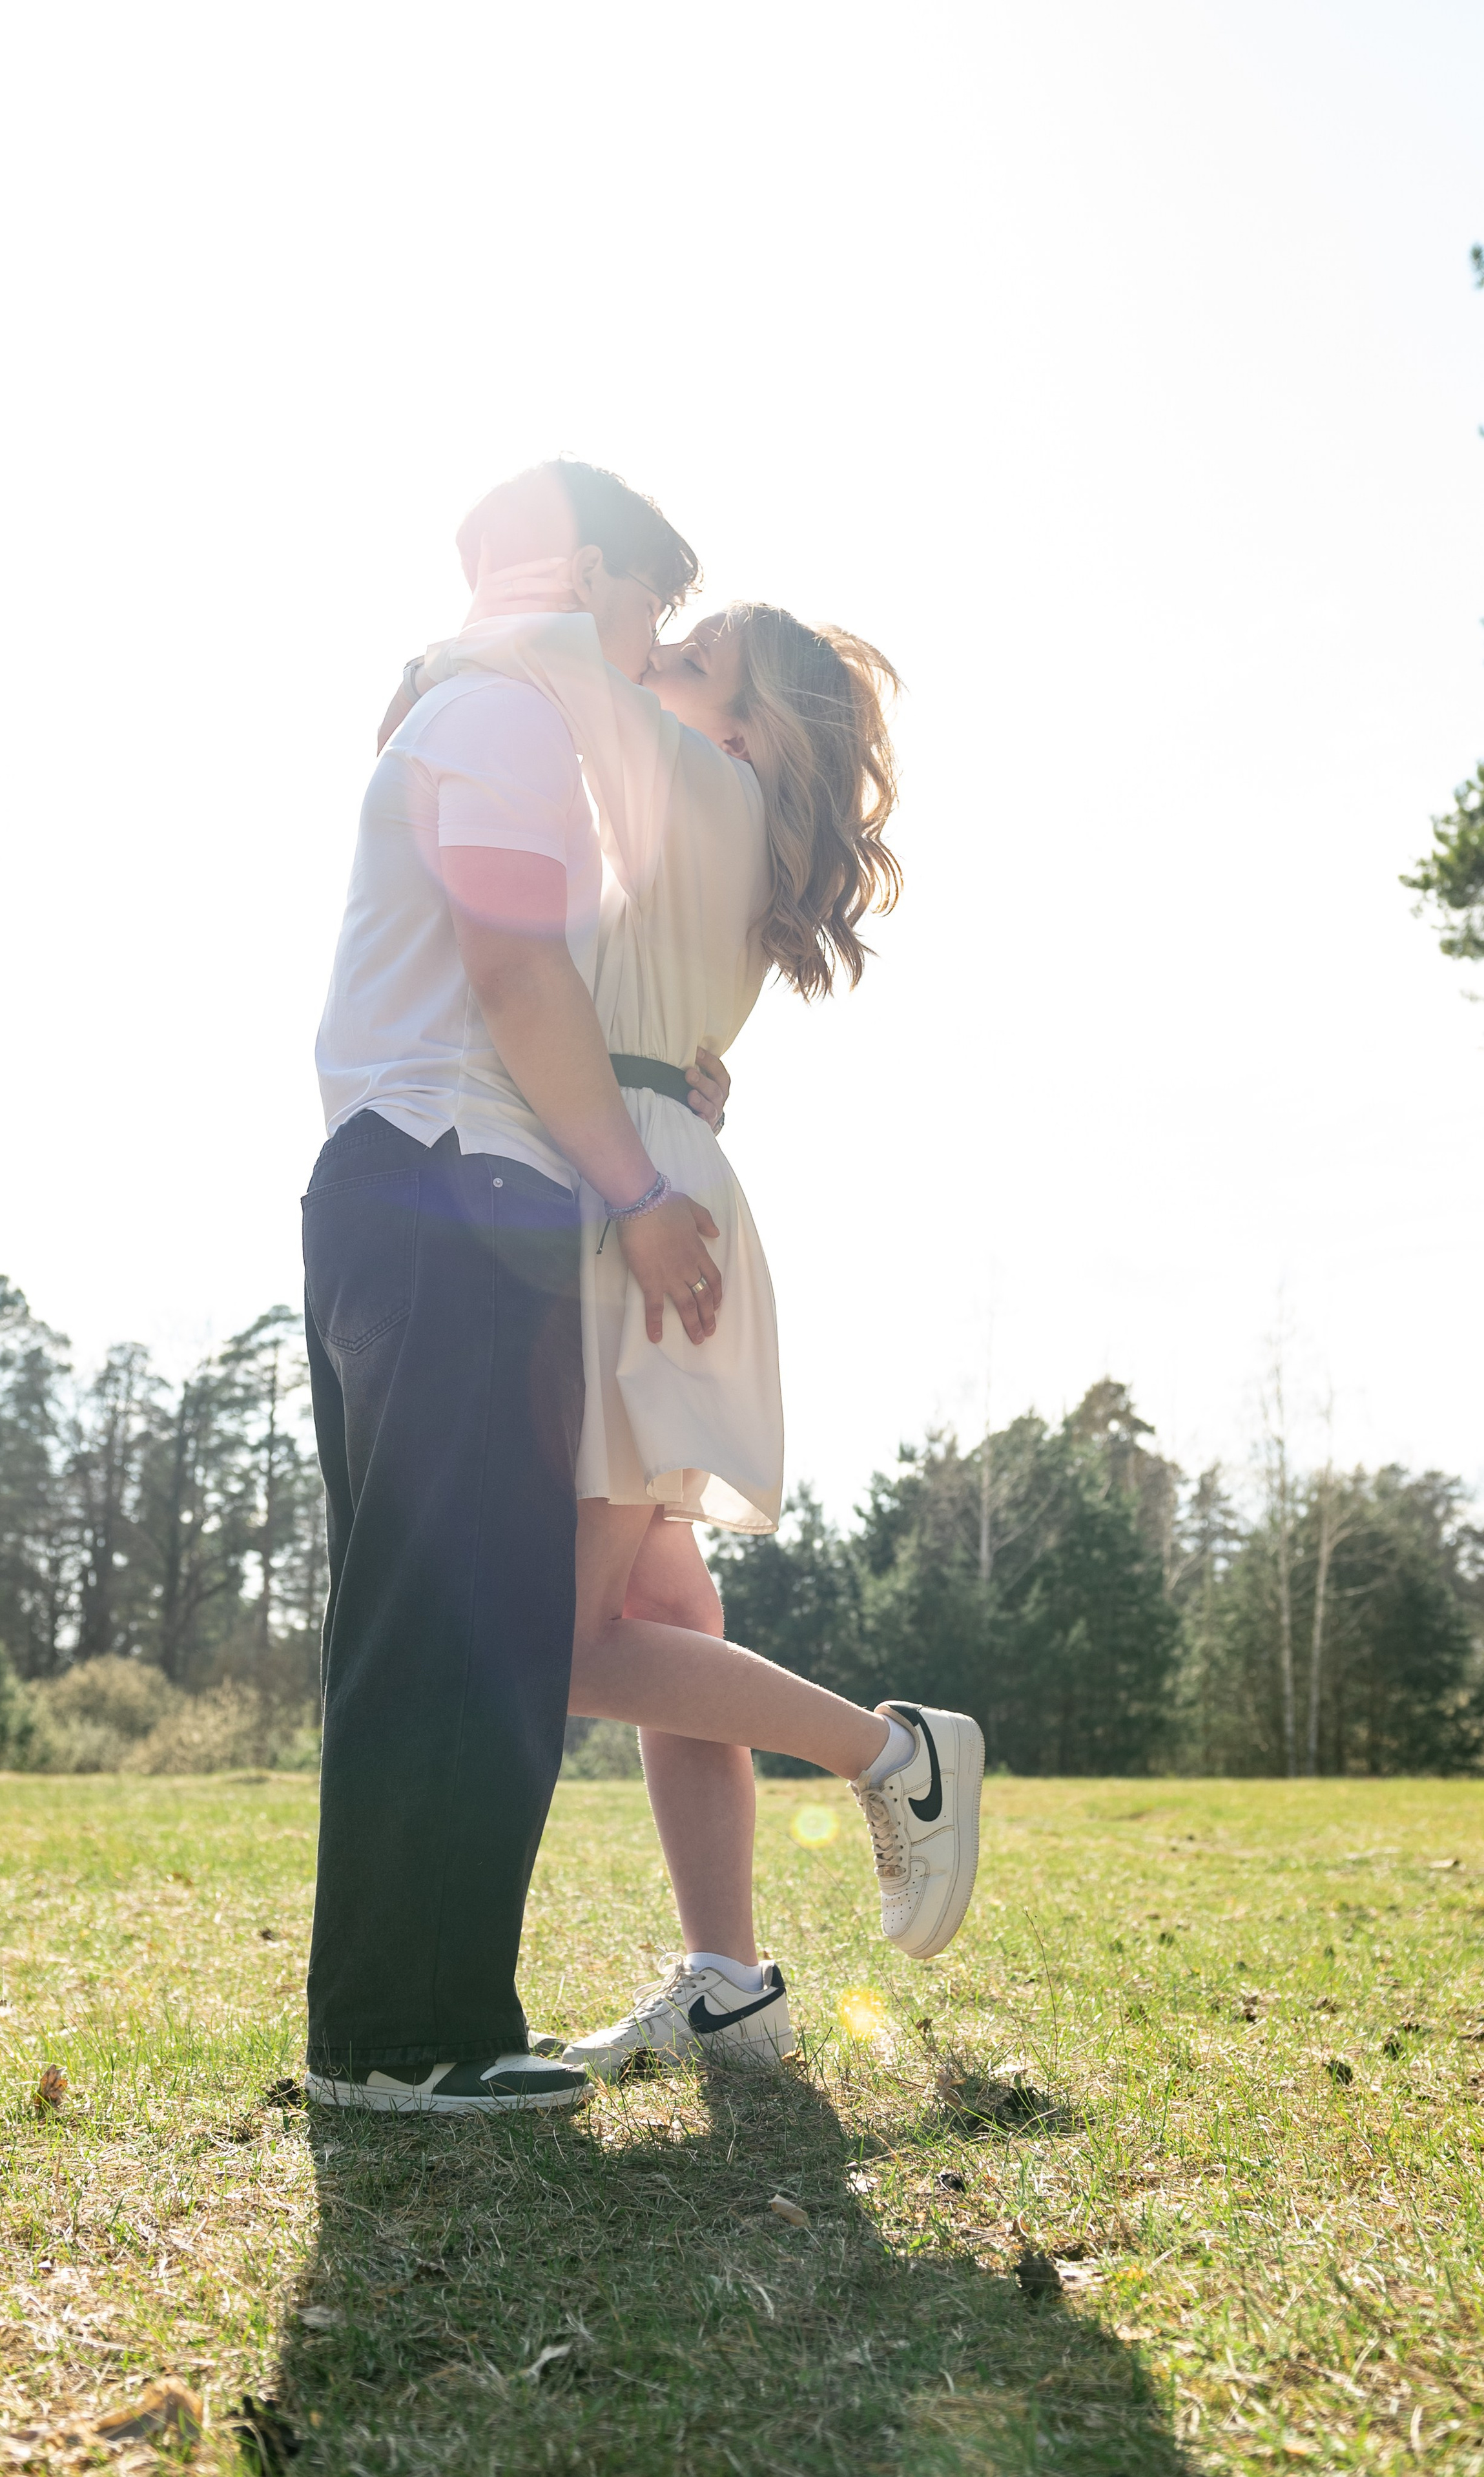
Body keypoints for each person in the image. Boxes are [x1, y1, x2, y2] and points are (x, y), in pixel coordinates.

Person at [394, 502, 985, 2084]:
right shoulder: (715, 819)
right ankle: (727, 1981)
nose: (661, 656)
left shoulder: (704, 785)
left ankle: (891, 1752)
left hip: (633, 1208)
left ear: (748, 718)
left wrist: (496, 635)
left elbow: (567, 678)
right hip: (649, 1174)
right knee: (665, 1612)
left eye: (695, 650)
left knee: (561, 1643)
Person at [303, 460, 728, 2116]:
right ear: (586, 576)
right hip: (459, 1190)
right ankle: (411, 2038)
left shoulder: (471, 708)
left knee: (431, 1610)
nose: (651, 650)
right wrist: (637, 1191)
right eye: (651, 606)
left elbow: (532, 973)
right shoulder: (504, 714)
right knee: (462, 1616)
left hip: (424, 1186)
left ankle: (396, 2026)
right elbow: (510, 964)